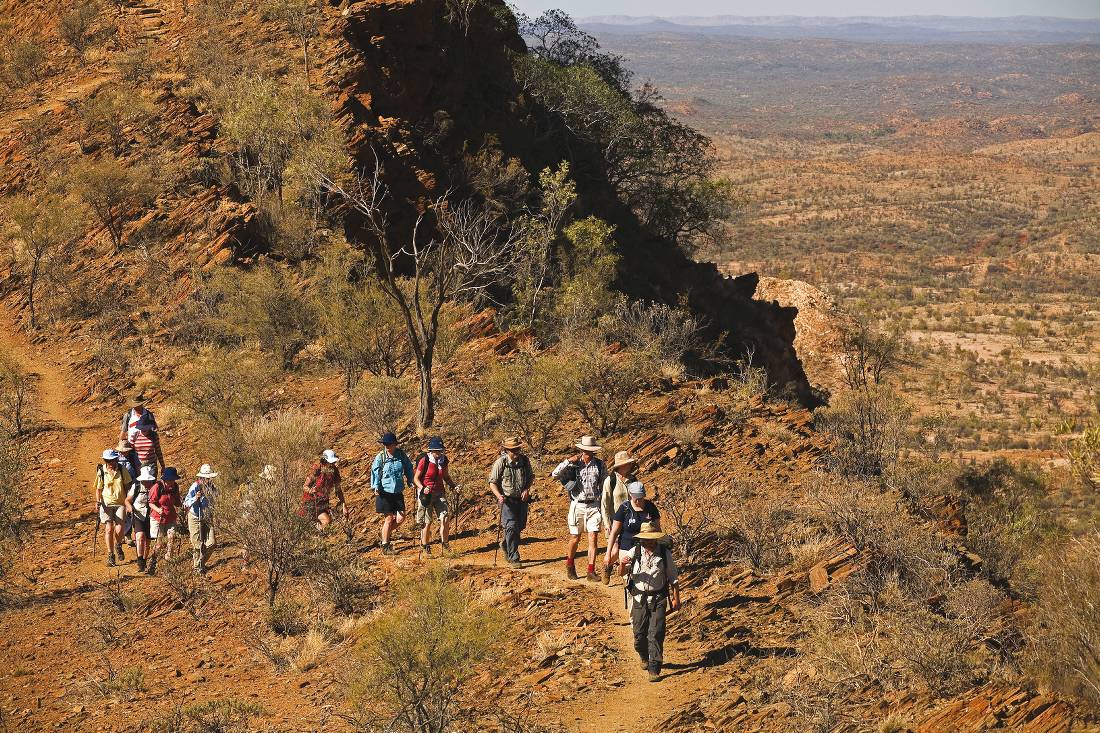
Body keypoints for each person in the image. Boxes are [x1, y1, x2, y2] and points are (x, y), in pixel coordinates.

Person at [620, 521, 681, 682]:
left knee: (656, 632)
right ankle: (643, 655)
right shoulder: (636, 551)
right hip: (639, 597)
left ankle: (655, 667)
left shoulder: (664, 553)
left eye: (652, 539)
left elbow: (673, 579)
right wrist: (622, 564)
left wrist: (676, 599)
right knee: (639, 634)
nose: (649, 542)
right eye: (646, 539)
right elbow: (622, 573)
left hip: (658, 598)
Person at [552, 436, 607, 581]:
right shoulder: (573, 464)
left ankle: (591, 570)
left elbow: (604, 484)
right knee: (575, 537)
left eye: (591, 450)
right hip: (578, 504)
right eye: (586, 450)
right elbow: (555, 474)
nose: (588, 453)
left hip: (594, 504)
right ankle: (570, 565)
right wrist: (568, 461)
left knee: (593, 537)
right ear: (581, 450)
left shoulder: (600, 465)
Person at [488, 436, 534, 568]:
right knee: (512, 526)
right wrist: (499, 496)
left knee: (520, 526)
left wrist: (526, 489)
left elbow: (530, 477)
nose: (516, 452)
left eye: (518, 449)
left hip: (521, 500)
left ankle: (506, 544)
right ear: (507, 450)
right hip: (507, 500)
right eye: (513, 450)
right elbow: (492, 482)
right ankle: (514, 556)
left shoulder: (525, 461)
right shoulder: (500, 462)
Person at [414, 437, 457, 557]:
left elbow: (446, 477)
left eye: (440, 450)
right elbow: (416, 478)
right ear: (431, 451)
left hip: (439, 493)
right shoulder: (425, 460)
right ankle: (425, 546)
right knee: (427, 522)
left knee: (445, 518)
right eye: (436, 451)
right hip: (426, 495)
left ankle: (445, 544)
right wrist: (423, 488)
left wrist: (454, 486)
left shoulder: (444, 460)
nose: (439, 453)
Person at [371, 432, 413, 555]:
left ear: (395, 444)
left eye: (389, 444)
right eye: (385, 444)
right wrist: (376, 486)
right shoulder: (380, 457)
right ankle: (385, 546)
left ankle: (385, 532)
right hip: (384, 491)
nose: (387, 446)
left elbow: (408, 468)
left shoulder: (401, 455)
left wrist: (411, 481)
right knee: (389, 518)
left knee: (401, 517)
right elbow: (375, 472)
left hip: (398, 490)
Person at [601, 451, 639, 583]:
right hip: (614, 521)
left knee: (628, 548)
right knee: (616, 548)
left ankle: (625, 573)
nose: (630, 465)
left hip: (630, 521)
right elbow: (604, 504)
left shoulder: (633, 480)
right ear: (621, 465)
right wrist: (606, 523)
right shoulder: (610, 481)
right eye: (627, 463)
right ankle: (607, 566)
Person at [94, 449, 132, 568]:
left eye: (112, 460)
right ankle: (111, 555)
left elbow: (128, 486)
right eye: (108, 460)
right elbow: (98, 488)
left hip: (120, 502)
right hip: (106, 503)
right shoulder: (101, 471)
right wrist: (98, 501)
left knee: (120, 529)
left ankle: (118, 544)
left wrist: (128, 502)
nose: (110, 462)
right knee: (109, 529)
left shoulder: (122, 469)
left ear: (116, 459)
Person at [147, 466, 182, 575]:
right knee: (159, 543)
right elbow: (150, 502)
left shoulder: (175, 487)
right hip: (158, 518)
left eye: (173, 480)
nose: (171, 482)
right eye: (170, 480)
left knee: (171, 539)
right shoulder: (157, 487)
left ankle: (169, 561)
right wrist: (158, 509)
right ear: (165, 479)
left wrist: (184, 504)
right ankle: (152, 563)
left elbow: (176, 501)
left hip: (170, 516)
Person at [183, 464, 217, 575]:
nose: (208, 480)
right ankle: (198, 568)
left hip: (207, 516)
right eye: (206, 478)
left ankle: (200, 563)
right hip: (195, 517)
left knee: (211, 543)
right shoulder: (195, 486)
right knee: (197, 545)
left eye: (209, 478)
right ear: (202, 477)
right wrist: (195, 498)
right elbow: (186, 502)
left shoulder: (212, 487)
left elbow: (215, 501)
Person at [302, 449, 347, 530]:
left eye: (333, 462)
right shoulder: (317, 469)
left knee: (326, 523)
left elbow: (338, 490)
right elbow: (305, 486)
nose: (332, 464)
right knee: (323, 523)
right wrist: (311, 490)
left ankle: (317, 536)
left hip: (323, 502)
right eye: (330, 462)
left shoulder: (334, 471)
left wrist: (344, 505)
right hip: (311, 502)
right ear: (324, 461)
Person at [124, 466, 157, 573]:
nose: (146, 482)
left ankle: (144, 560)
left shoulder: (156, 487)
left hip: (151, 516)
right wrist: (130, 508)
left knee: (147, 540)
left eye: (148, 480)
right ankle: (140, 560)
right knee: (140, 536)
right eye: (144, 480)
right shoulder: (136, 486)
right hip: (138, 514)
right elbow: (127, 500)